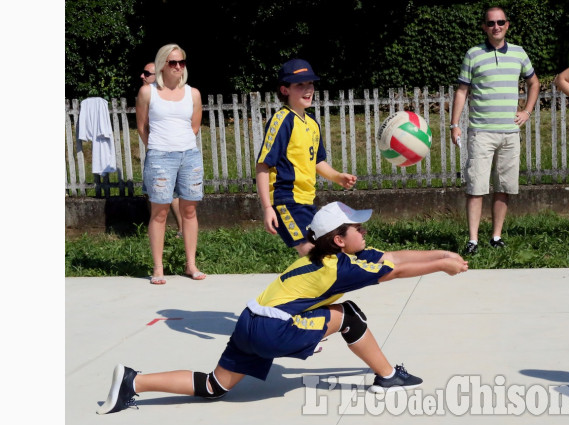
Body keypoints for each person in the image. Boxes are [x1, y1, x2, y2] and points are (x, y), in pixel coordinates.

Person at [96, 201, 469, 414]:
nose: (364, 231)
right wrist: (441, 266)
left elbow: (391, 257)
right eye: (358, 228)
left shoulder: (319, 255)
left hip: (249, 321)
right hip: (274, 331)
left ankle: (133, 380)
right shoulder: (338, 268)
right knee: (349, 315)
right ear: (340, 240)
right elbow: (397, 269)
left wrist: (442, 254)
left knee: (215, 386)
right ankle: (388, 377)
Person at [450, 6, 540, 255]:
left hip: (510, 133)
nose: (496, 26)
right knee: (476, 187)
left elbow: (534, 82)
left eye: (500, 22)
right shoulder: (473, 54)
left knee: (503, 187)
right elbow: (462, 91)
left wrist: (527, 111)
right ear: (484, 27)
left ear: (507, 25)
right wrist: (454, 124)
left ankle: (496, 236)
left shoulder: (520, 53)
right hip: (480, 132)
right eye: (491, 23)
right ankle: (473, 240)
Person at [256, 59, 357, 257]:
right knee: (316, 255)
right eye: (300, 85)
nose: (308, 89)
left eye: (310, 83)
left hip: (307, 200)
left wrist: (337, 177)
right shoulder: (281, 121)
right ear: (285, 90)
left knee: (327, 254)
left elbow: (317, 161)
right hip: (287, 201)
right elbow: (263, 165)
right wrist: (268, 208)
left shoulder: (311, 123)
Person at [136, 45, 206, 284]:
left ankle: (191, 264)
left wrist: (180, 144)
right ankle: (158, 268)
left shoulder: (193, 94)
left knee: (189, 210)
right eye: (173, 62)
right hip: (160, 156)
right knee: (160, 212)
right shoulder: (148, 93)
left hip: (189, 155)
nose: (178, 67)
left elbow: (194, 126)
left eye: (182, 62)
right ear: (162, 64)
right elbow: (142, 127)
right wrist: (157, 147)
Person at [141, 61, 184, 239]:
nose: (142, 76)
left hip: (169, 152)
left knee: (170, 192)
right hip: (156, 151)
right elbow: (142, 126)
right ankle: (160, 229)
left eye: (146, 73)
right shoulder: (148, 96)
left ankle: (181, 230)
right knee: (152, 191)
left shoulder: (166, 97)